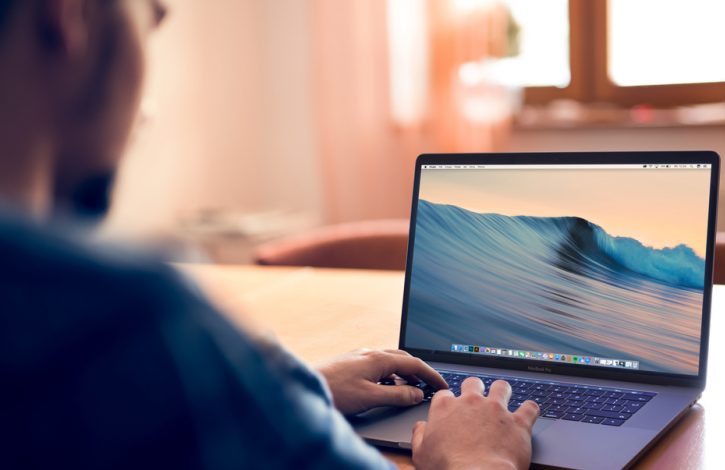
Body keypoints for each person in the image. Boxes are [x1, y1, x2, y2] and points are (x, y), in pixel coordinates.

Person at [0, 1, 539, 469]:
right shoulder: (122, 322)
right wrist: (478, 457)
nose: (147, 107)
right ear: (68, 13)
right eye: (152, 13)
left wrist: (281, 384)